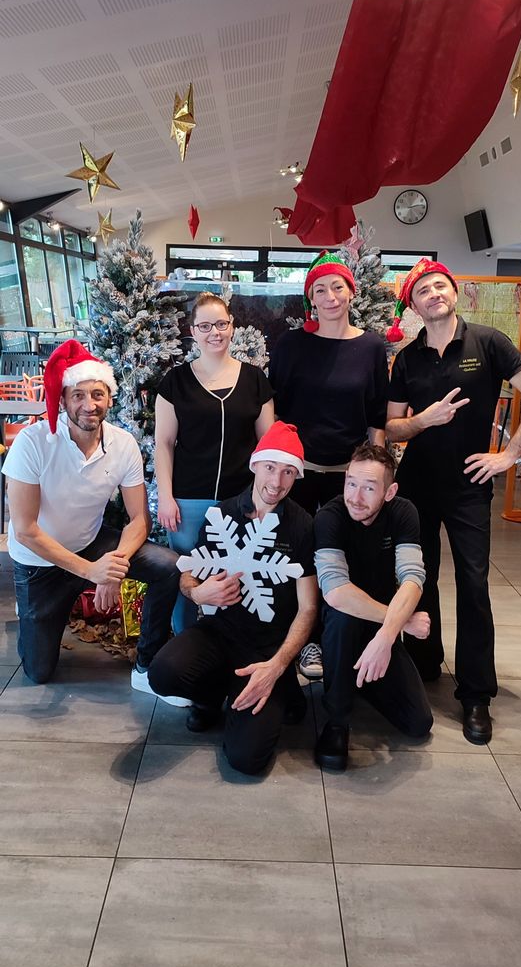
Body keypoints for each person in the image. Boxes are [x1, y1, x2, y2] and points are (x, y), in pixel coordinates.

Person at [386, 258, 521, 744]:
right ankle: (424, 665)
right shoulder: (408, 358)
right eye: (422, 290)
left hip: (469, 485)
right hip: (417, 484)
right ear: (414, 305)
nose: (433, 294)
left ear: (454, 291)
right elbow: (392, 427)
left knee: (473, 583)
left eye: (439, 285)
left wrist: (509, 454)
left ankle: (475, 694)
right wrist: (423, 420)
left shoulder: (488, 342)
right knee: (418, 577)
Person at [3, 340, 182, 690]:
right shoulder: (32, 442)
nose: (89, 405)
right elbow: (24, 530)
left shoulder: (123, 443)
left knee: (169, 566)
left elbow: (139, 519)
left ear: (110, 398)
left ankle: (146, 665)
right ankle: (30, 617)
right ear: (63, 400)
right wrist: (91, 572)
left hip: (91, 541)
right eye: (78, 395)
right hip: (39, 561)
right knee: (39, 671)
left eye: (98, 394)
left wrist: (113, 568)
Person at [148, 422, 318, 775]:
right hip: (218, 632)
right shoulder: (223, 514)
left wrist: (277, 665)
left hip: (266, 648)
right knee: (163, 673)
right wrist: (198, 592)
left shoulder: (302, 526)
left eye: (288, 472)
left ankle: (280, 687)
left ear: (297, 476)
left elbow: (308, 608)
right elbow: (190, 571)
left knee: (247, 760)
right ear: (255, 465)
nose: (277, 481)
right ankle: (212, 696)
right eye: (270, 467)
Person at [269, 251, 389, 680]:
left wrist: (377, 474)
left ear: (351, 292)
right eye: (320, 289)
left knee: (342, 558)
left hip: (348, 476)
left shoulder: (371, 347)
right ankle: (290, 641)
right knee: (295, 558)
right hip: (299, 472)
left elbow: (377, 416)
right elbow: (274, 408)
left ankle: (331, 640)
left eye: (338, 286)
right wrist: (273, 466)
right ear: (311, 300)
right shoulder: (292, 344)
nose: (330, 296)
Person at [155, 291, 274, 634]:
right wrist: (166, 496)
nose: (215, 333)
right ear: (193, 331)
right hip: (188, 501)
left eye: (221, 324)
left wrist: (263, 498)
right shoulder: (175, 382)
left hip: (241, 500)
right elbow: (164, 444)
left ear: (232, 326)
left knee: (239, 578)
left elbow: (267, 447)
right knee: (188, 578)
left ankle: (233, 647)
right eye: (205, 326)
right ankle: (184, 645)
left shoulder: (255, 380)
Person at [314, 443, 433, 771]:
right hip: (338, 623)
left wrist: (386, 636)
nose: (355, 497)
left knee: (418, 723)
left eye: (369, 488)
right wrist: (402, 623)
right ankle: (337, 720)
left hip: (382, 626)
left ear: (389, 492)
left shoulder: (403, 513)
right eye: (351, 483)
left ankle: (359, 676)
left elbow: (413, 578)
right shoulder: (329, 517)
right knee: (344, 617)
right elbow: (336, 593)